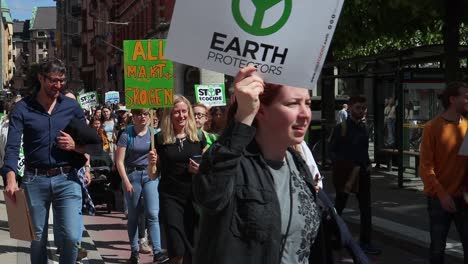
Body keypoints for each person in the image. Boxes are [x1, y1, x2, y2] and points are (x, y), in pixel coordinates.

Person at [192, 66, 322, 263]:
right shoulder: (234, 162)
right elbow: (210, 194)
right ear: (261, 110)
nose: (305, 114)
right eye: (293, 104)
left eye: (308, 103)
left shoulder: (298, 163)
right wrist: (244, 115)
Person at [1, 58, 90, 264]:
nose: (59, 85)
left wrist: (75, 147)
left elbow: (90, 142)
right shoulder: (23, 108)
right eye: (54, 80)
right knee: (37, 238)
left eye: (62, 81)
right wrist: (11, 179)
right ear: (41, 78)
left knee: (71, 237)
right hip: (35, 179)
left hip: (67, 178)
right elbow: (12, 147)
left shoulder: (71, 107)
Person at [148, 95, 206, 264]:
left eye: (184, 111)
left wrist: (199, 170)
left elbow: (209, 170)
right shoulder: (159, 140)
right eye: (176, 112)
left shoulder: (199, 138)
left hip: (193, 198)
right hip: (170, 197)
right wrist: (151, 162)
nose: (181, 116)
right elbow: (153, 175)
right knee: (177, 249)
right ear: (169, 115)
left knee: (192, 249)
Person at [419, 82, 468, 264]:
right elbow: (425, 167)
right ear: (453, 99)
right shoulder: (432, 128)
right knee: (438, 249)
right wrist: (442, 194)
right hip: (439, 199)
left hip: (463, 199)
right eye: (466, 96)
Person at [330, 95, 381, 255]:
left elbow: (364, 149)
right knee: (339, 206)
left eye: (364, 108)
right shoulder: (341, 128)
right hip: (346, 173)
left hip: (362, 173)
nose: (362, 111)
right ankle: (332, 237)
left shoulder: (365, 128)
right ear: (350, 107)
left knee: (366, 208)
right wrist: (342, 165)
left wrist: (367, 164)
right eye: (358, 107)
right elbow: (332, 150)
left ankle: (365, 241)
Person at [115, 108, 167, 264]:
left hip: (150, 175)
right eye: (139, 114)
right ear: (134, 117)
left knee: (152, 213)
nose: (142, 117)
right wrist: (126, 181)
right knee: (134, 215)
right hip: (132, 176)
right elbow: (119, 161)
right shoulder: (126, 134)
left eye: (145, 114)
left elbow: (161, 158)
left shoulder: (154, 135)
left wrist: (156, 159)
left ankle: (157, 251)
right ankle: (134, 251)